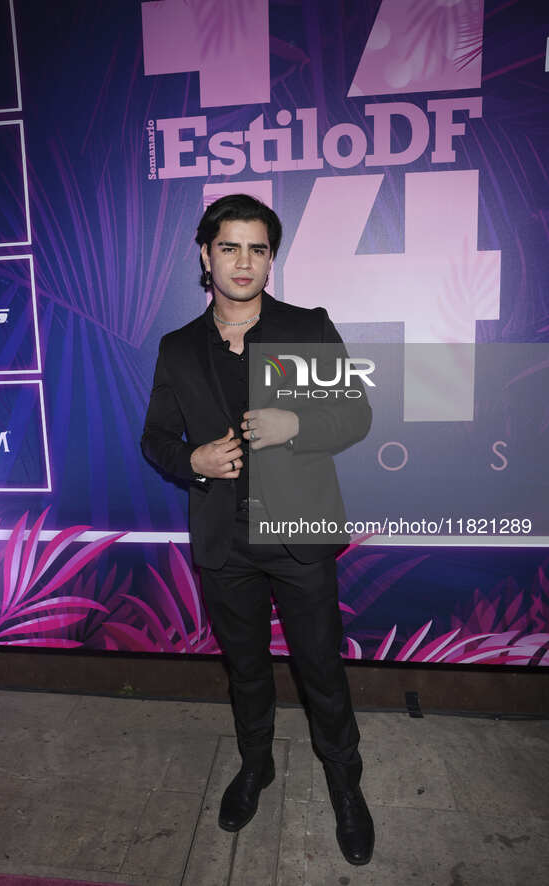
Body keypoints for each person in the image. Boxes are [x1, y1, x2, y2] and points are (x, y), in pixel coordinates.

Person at [141, 194, 374, 865]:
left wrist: (296, 424)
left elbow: (353, 416)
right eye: (228, 246)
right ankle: (255, 765)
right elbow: (155, 438)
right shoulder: (178, 347)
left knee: (320, 669)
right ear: (205, 254)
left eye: (257, 248)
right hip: (224, 539)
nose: (243, 262)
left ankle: (344, 784)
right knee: (245, 668)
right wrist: (191, 459)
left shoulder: (305, 326)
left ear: (271, 258)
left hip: (297, 532)